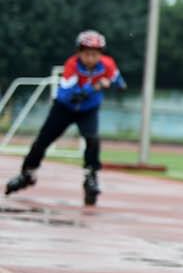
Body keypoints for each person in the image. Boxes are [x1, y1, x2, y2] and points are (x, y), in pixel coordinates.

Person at [5, 29, 126, 206]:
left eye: (95, 54)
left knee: (92, 140)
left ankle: (91, 176)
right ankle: (27, 173)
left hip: (88, 110)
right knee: (43, 141)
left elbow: (120, 83)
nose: (91, 58)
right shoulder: (72, 66)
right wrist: (96, 85)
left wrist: (112, 83)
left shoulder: (108, 65)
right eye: (87, 54)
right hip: (64, 108)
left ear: (101, 54)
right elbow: (71, 94)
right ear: (79, 53)